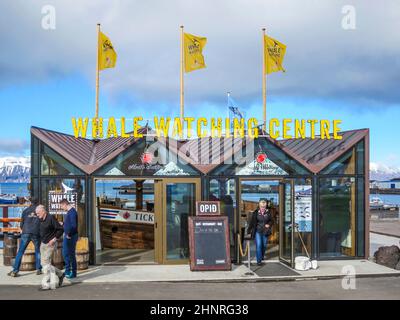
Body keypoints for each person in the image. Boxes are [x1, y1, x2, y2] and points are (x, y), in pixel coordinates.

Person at [7, 198, 42, 277]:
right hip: (36, 232)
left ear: (30, 202)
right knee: (37, 251)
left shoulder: (25, 211)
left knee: (20, 251)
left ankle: (15, 270)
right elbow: (42, 222)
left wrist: (24, 230)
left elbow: (21, 225)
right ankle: (38, 269)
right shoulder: (39, 211)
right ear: (38, 202)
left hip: (26, 232)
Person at [36, 205, 65, 290]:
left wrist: (54, 239)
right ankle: (60, 274)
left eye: (38, 213)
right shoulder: (40, 219)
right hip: (43, 244)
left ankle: (45, 284)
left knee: (46, 265)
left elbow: (61, 229)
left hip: (50, 244)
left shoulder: (51, 218)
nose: (37, 215)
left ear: (43, 211)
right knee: (44, 264)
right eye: (36, 213)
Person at [247, 198, 274, 266]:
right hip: (257, 231)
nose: (263, 207)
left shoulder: (268, 212)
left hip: (265, 231)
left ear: (266, 206)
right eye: (261, 206)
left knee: (264, 245)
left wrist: (269, 224)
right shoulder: (256, 212)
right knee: (259, 245)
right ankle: (259, 261)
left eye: (264, 206)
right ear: (259, 205)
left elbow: (272, 221)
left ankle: (261, 256)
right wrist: (249, 230)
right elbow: (252, 222)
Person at [60, 199, 78, 279]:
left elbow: (74, 226)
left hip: (71, 236)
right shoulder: (70, 212)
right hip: (68, 235)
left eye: (61, 206)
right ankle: (68, 271)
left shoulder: (72, 212)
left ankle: (72, 272)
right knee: (66, 253)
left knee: (70, 254)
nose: (62, 208)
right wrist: (63, 223)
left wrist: (69, 235)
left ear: (65, 204)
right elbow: (70, 224)